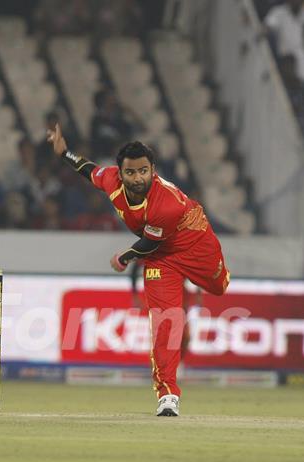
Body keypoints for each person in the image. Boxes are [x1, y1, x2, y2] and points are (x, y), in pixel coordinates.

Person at [47, 124, 230, 417]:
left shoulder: (165, 203)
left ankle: (216, 278)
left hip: (194, 243)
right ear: (120, 173)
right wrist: (64, 152)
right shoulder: (110, 180)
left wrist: (124, 258)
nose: (137, 178)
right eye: (130, 172)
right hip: (161, 258)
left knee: (220, 286)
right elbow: (87, 169)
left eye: (144, 171)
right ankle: (167, 394)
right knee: (166, 323)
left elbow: (146, 242)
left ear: (153, 170)